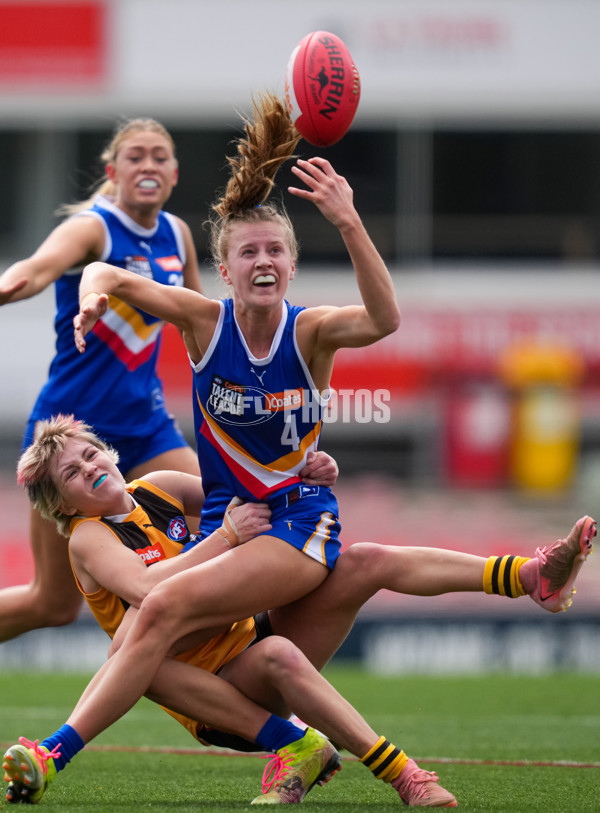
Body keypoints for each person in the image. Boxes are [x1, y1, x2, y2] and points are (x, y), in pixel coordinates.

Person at [65, 92, 596, 771]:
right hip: (238, 535)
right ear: (224, 271)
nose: (264, 260)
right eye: (249, 251)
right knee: (360, 566)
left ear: (290, 263)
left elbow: (384, 320)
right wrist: (93, 291)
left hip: (293, 527)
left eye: (276, 250)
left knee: (163, 606)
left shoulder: (310, 330)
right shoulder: (204, 321)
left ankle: (55, 752)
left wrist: (347, 220)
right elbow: (110, 271)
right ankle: (523, 581)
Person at [3, 414, 458, 807]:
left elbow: (251, 496)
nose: (89, 468)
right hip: (207, 691)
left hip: (249, 641)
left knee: (361, 564)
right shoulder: (87, 535)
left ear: (109, 453)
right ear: (62, 504)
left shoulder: (158, 487)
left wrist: (309, 471)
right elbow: (147, 587)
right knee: (136, 650)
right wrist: (224, 537)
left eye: (90, 455)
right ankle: (386, 767)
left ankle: (516, 575)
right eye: (71, 474)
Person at [0, 117, 203, 642]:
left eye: (160, 156)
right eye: (136, 156)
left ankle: (246, 669)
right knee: (52, 603)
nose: (149, 165)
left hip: (147, 426)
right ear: (114, 171)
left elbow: (198, 322)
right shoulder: (94, 227)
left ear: (174, 173)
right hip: (70, 436)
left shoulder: (178, 234)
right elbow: (36, 269)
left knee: (227, 504)